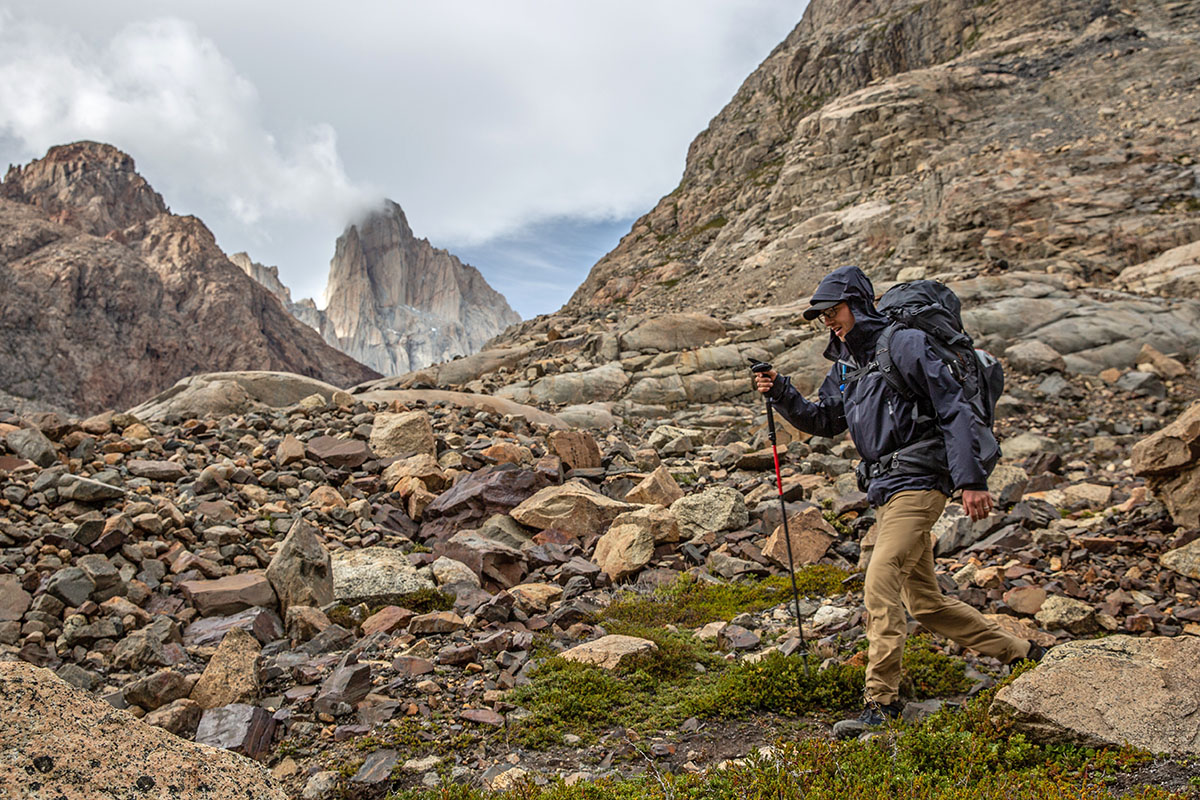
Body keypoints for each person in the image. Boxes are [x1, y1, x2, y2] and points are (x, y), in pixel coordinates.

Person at [753, 264, 1044, 739]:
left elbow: (953, 406)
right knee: (924, 603)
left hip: (922, 481)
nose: (828, 321)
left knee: (880, 578)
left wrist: (971, 481)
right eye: (821, 316)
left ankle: (881, 701)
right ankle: (1020, 653)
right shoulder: (847, 365)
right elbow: (826, 420)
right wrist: (783, 392)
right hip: (886, 490)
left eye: (834, 311)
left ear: (859, 304)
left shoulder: (905, 343)